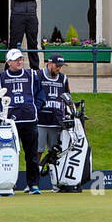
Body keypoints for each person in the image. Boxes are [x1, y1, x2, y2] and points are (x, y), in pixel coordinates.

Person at [0, 48, 45, 194]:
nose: (20, 61)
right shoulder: (1, 78)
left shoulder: (32, 75)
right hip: (9, 124)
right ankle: (7, 183)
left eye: (21, 59)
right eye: (16, 59)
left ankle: (33, 185)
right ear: (8, 62)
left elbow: (41, 95)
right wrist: (1, 114)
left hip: (29, 120)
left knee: (31, 155)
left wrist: (34, 108)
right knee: (8, 154)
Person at [33, 54, 70, 182]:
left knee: (56, 153)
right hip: (41, 121)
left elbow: (67, 98)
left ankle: (57, 182)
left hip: (56, 122)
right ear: (49, 63)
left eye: (61, 66)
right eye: (56, 65)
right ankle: (33, 181)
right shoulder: (37, 75)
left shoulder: (63, 79)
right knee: (37, 151)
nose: (59, 68)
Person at [9, 0, 42, 69]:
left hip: (31, 16)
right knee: (14, 43)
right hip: (18, 16)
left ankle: (35, 69)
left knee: (33, 43)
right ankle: (10, 69)